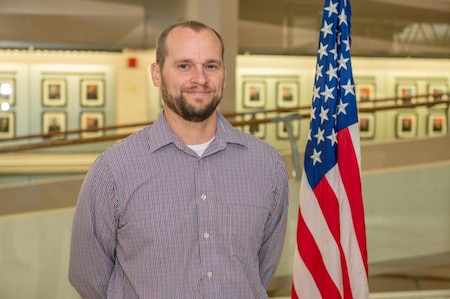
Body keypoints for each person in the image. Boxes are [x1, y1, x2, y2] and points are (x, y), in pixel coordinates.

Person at [68, 20, 289, 299]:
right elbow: (90, 277)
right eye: (184, 66)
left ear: (224, 73)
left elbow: (262, 269)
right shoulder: (113, 170)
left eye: (211, 66)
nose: (200, 78)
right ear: (157, 74)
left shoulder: (267, 166)